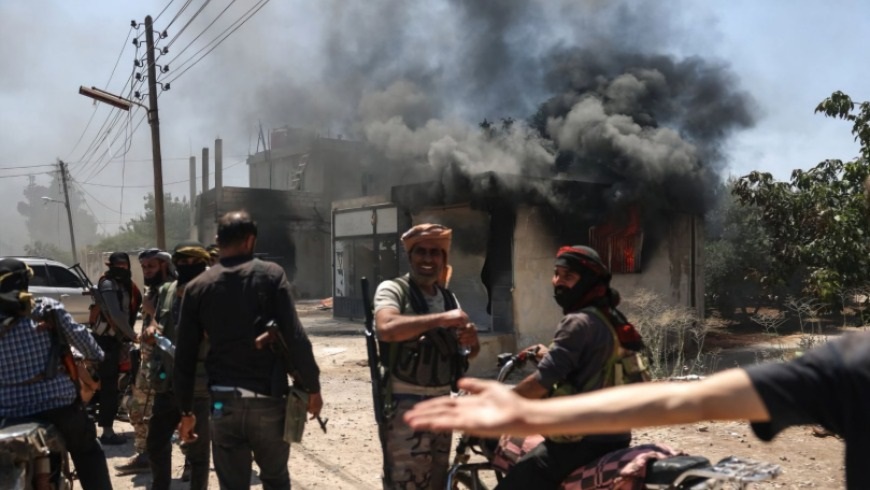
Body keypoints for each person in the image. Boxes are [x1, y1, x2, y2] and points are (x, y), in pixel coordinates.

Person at [404, 333, 870, 489]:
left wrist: (532, 413)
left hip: (581, 443)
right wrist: (532, 415)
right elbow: (689, 398)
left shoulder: (852, 363)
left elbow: (689, 399)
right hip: (604, 434)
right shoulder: (850, 364)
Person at [174, 211, 323, 490]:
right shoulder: (271, 275)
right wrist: (313, 388)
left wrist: (185, 411)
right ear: (250, 240)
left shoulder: (197, 288)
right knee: (276, 480)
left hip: (223, 403)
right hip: (269, 399)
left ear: (218, 240)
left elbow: (183, 357)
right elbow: (296, 337)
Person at [487, 245, 640, 489]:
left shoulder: (577, 322)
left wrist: (498, 404)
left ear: (587, 281)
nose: (558, 282)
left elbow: (542, 381)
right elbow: (594, 366)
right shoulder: (611, 318)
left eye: (568, 276)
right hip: (616, 438)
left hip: (580, 444)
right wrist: (549, 354)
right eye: (556, 274)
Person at [373, 223, 480, 489]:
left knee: (438, 481)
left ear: (443, 259)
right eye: (421, 252)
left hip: (442, 401)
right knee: (407, 482)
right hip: (404, 404)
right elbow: (386, 327)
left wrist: (471, 340)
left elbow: (466, 353)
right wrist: (441, 319)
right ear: (410, 256)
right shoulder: (393, 289)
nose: (428, 259)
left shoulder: (448, 298)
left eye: (435, 253)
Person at [0, 258, 113, 489]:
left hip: (7, 412)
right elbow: (86, 344)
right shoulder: (46, 309)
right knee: (88, 452)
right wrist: (96, 356)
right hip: (57, 407)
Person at [142, 242, 212, 490]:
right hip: (167, 381)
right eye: (183, 262)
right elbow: (157, 321)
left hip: (197, 385)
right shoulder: (167, 290)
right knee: (156, 443)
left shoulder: (213, 292)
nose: (188, 266)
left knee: (197, 452)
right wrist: (152, 329)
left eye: (194, 262)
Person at [116, 248, 174, 475]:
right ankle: (145, 455)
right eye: (144, 267)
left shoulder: (173, 291)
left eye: (151, 266)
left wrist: (153, 312)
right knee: (137, 408)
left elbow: (174, 327)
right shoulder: (154, 290)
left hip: (165, 363)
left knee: (163, 413)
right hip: (149, 361)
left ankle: (187, 461)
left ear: (164, 266)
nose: (147, 271)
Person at [92, 251, 142, 445]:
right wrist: (132, 335)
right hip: (106, 341)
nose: (121, 269)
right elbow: (115, 314)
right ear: (110, 266)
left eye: (124, 266)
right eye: (117, 266)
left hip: (120, 341)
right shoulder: (108, 284)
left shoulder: (127, 285)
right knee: (109, 386)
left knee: (126, 379)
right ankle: (107, 431)